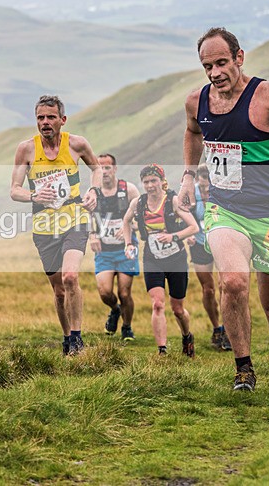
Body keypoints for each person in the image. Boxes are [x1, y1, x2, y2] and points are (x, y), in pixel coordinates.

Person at [178, 27, 269, 391]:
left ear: (240, 57)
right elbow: (192, 132)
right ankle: (243, 369)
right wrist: (189, 178)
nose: (215, 72)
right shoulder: (197, 101)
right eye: (207, 66)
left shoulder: (268, 94)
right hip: (226, 209)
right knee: (233, 281)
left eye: (222, 62)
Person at [10, 95, 102, 356]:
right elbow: (14, 190)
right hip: (44, 227)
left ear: (62, 120)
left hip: (75, 219)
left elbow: (97, 170)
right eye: (40, 118)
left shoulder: (77, 144)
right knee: (59, 291)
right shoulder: (26, 149)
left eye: (51, 117)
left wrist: (94, 191)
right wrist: (34, 196)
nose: (45, 122)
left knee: (70, 277)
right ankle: (66, 338)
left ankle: (76, 338)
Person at [122, 164, 198, 357]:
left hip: (177, 259)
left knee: (178, 308)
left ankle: (186, 336)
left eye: (153, 181)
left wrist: (173, 237)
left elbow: (193, 227)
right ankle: (162, 350)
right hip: (152, 258)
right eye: (146, 182)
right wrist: (128, 243)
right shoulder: (138, 203)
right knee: (157, 304)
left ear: (162, 182)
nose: (149, 185)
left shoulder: (173, 201)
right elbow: (126, 221)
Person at [89, 153, 140, 341]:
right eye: (100, 168)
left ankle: (127, 328)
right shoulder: (93, 192)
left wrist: (128, 226)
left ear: (115, 169)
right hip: (104, 251)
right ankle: (115, 309)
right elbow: (87, 217)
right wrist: (92, 235)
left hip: (126, 248)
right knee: (105, 292)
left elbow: (142, 215)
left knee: (125, 293)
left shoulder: (129, 189)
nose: (104, 172)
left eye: (107, 167)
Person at [187, 165, 232, 351]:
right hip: (199, 244)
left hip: (222, 242)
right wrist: (188, 233)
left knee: (226, 286)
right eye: (203, 178)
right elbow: (184, 216)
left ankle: (230, 331)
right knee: (208, 290)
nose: (206, 182)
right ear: (198, 179)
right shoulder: (193, 194)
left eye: (209, 177)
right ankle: (217, 328)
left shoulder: (222, 191)